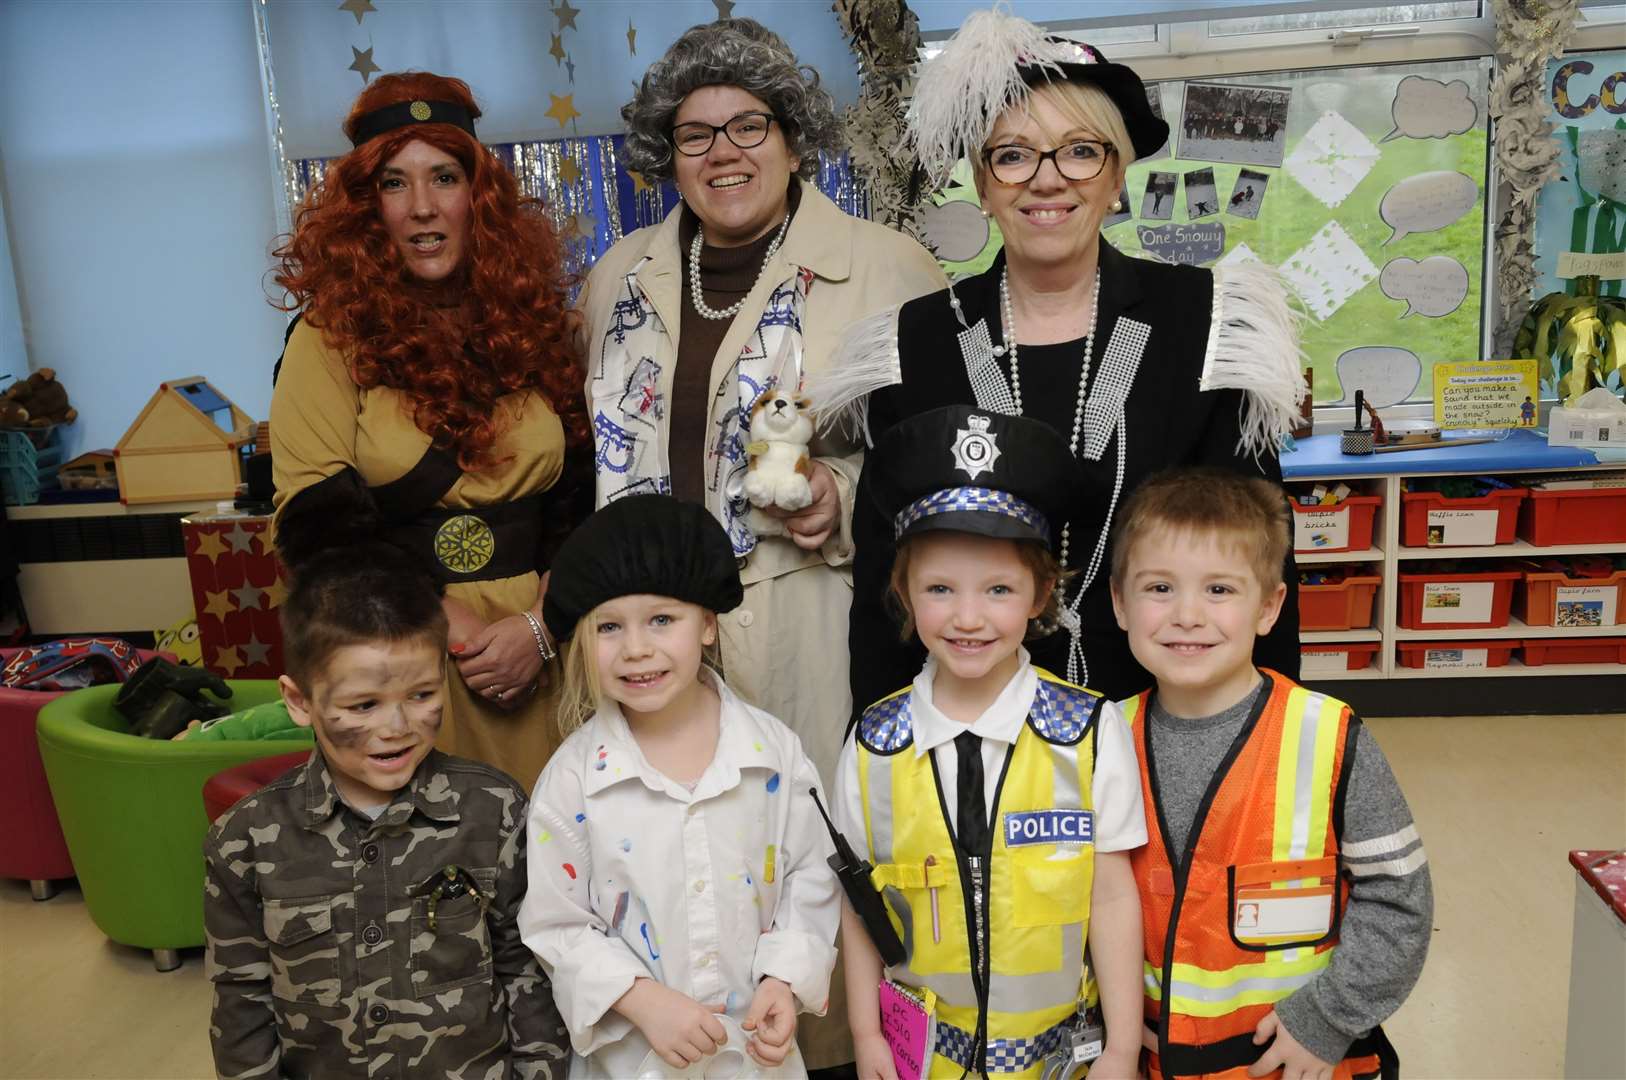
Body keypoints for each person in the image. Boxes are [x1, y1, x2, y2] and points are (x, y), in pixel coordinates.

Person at [822, 9, 1305, 720]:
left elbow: (1256, 550)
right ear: (983, 187)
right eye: (1012, 155)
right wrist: (880, 742)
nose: (1046, 180)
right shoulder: (914, 343)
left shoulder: (1201, 321)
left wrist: (1273, 736)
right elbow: (884, 587)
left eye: (1080, 151)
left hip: (1168, 724)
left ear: (1116, 178)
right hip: (972, 737)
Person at [578, 17, 947, 788]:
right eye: (695, 135)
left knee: (804, 848)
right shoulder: (617, 277)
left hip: (803, 621)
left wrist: (836, 495)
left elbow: (933, 465)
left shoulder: (890, 270)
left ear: (791, 137)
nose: (724, 152)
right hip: (645, 630)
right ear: (668, 157)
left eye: (749, 125)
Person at [270, 71, 591, 791]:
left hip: (551, 644)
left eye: (443, 177)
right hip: (403, 655)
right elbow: (316, 525)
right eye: (393, 183)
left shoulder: (541, 325)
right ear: (363, 207)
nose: (422, 208)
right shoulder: (326, 341)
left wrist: (542, 626)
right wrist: (456, 631)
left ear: (478, 196)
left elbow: (585, 498)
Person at [832, 406, 1147, 1080]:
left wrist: (1122, 1045)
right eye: (940, 588)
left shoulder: (1091, 735)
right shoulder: (872, 747)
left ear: (1040, 595)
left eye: (998, 589)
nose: (968, 617)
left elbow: (1112, 896)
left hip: (1063, 1063)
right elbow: (859, 909)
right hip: (925, 1066)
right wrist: (865, 1034)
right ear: (904, 594)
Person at [1109, 469, 1431, 1080]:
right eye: (1159, 587)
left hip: (1301, 1065)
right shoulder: (1098, 744)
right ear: (1120, 604)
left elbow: (1399, 904)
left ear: (1269, 607)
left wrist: (1327, 1021)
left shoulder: (1330, 740)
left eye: (1220, 590)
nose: (1187, 615)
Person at [204, 542, 568, 1079]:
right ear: (299, 700)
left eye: (422, 694)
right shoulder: (245, 840)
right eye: (364, 705)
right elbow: (241, 1002)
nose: (397, 727)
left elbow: (527, 973)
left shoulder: (494, 810)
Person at [519, 495, 841, 1079]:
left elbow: (812, 874)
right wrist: (643, 1002)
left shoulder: (772, 756)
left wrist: (783, 979)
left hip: (755, 1061)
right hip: (632, 1062)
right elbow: (556, 921)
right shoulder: (573, 779)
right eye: (610, 627)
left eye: (662, 620)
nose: (637, 648)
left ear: (710, 624)